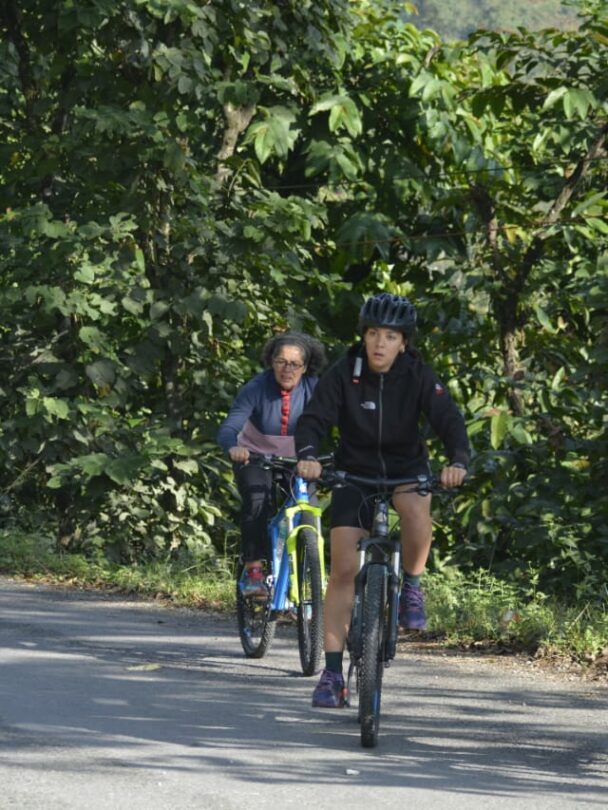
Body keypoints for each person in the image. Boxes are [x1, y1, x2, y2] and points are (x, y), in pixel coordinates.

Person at [295, 293, 470, 708]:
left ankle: (411, 583)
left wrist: (458, 461)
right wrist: (307, 457)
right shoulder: (345, 372)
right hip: (354, 470)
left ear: (403, 343)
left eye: (390, 336)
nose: (379, 343)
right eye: (373, 333)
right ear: (364, 335)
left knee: (414, 508)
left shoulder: (419, 375)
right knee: (341, 570)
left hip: (405, 468)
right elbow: (314, 419)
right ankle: (333, 672)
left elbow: (449, 420)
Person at [217, 331, 326, 596]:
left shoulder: (316, 388)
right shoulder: (256, 387)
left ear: (306, 367)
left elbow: (340, 421)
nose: (287, 369)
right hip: (255, 457)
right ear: (271, 361)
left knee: (309, 514)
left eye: (294, 364)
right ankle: (254, 571)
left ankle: (301, 584)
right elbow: (230, 425)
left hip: (298, 462)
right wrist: (233, 447)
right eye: (280, 361)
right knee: (258, 502)